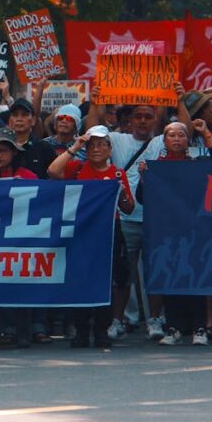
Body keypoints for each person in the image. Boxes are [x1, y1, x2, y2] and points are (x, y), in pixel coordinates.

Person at [85, 89, 164, 340]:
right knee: (122, 275)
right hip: (125, 220)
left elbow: (184, 128)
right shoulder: (117, 140)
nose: (142, 120)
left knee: (155, 272)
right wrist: (97, 100)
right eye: (137, 116)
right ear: (129, 120)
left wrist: (178, 100)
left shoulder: (162, 141)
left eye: (148, 116)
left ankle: (154, 320)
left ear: (155, 120)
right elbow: (92, 131)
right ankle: (117, 321)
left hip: (154, 220)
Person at [137, 121, 212, 346]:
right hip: (166, 233)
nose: (176, 138)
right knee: (170, 278)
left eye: (181, 135)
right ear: (164, 141)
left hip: (195, 232)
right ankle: (173, 327)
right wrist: (145, 178)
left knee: (196, 279)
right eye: (171, 135)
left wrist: (205, 131)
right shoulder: (154, 167)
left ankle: (199, 328)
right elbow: (141, 199)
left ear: (188, 141)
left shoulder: (198, 164)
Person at [48, 125, 135, 348]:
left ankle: (101, 331)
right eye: (92, 145)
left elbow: (129, 208)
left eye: (101, 145)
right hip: (81, 233)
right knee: (80, 281)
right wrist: (76, 146)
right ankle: (81, 330)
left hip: (108, 233)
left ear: (109, 148)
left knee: (106, 282)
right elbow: (53, 171)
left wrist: (123, 193)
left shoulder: (117, 173)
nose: (96, 149)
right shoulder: (77, 169)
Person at [0, 128, 46, 349]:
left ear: (14, 152)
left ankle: (23, 333)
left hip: (20, 240)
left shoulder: (27, 175)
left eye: (3, 150)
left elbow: (41, 200)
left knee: (21, 287)